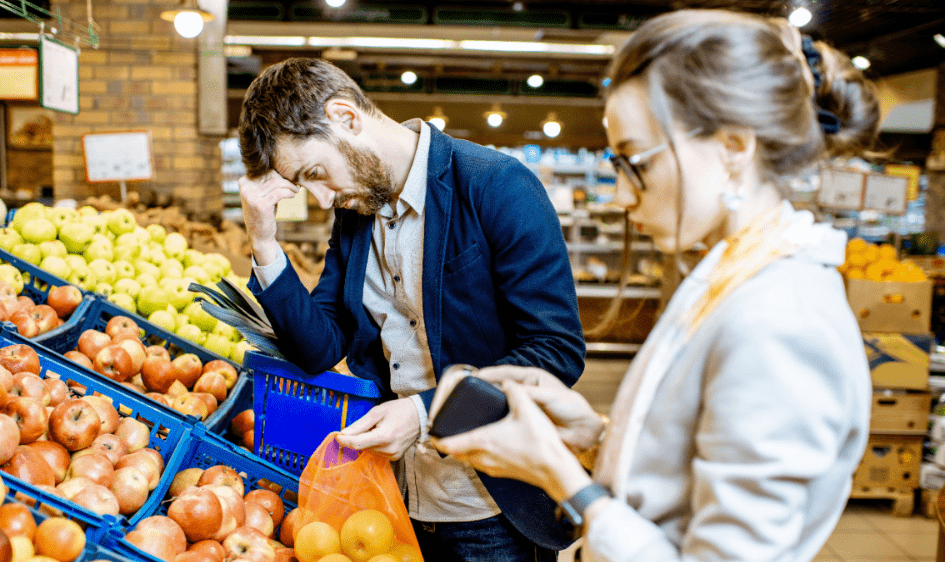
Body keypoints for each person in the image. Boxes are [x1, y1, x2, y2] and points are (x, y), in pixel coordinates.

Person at [433, 9, 878, 562]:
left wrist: (561, 475)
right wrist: (593, 436)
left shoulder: (781, 318)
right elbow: (691, 475)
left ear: (735, 146)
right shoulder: (733, 273)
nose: (621, 195)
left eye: (634, 162)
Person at [236, 58, 586, 561]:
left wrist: (424, 414)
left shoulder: (495, 186)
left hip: (491, 503)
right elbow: (320, 347)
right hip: (394, 502)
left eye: (315, 173)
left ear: (347, 117)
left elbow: (555, 350)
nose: (320, 198)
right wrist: (265, 243)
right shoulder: (355, 216)